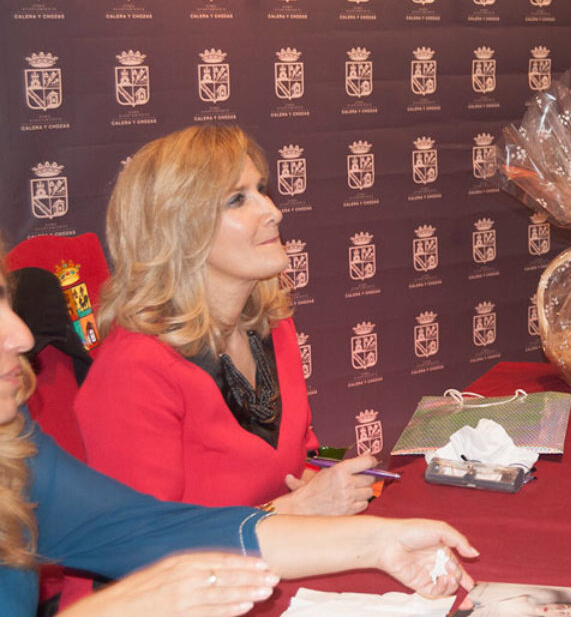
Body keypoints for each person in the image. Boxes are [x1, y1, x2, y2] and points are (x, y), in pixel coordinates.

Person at [0, 248, 477, 616]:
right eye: (237, 198)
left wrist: (376, 543)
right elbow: (143, 566)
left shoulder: (13, 449)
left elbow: (152, 530)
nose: (21, 335)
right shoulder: (135, 364)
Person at [75, 126, 376, 514]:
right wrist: (290, 512)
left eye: (261, 191)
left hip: (278, 566)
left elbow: (303, 456)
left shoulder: (273, 325)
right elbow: (137, 547)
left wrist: (332, 477)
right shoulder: (134, 368)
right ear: (177, 230)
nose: (273, 211)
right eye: (237, 199)